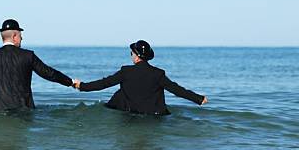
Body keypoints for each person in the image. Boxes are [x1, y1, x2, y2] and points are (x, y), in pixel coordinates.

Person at [73, 40, 207, 115]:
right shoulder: (158, 74)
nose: (131, 55)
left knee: (118, 96)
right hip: (154, 115)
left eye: (131, 52)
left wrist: (81, 86)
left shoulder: (126, 71)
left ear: (136, 56)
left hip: (131, 114)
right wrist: (198, 99)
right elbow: (176, 90)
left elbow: (103, 83)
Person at [0, 19, 76, 113]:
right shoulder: (28, 55)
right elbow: (48, 73)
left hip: (1, 109)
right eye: (20, 36)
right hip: (25, 109)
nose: (22, 38)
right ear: (14, 36)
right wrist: (70, 82)